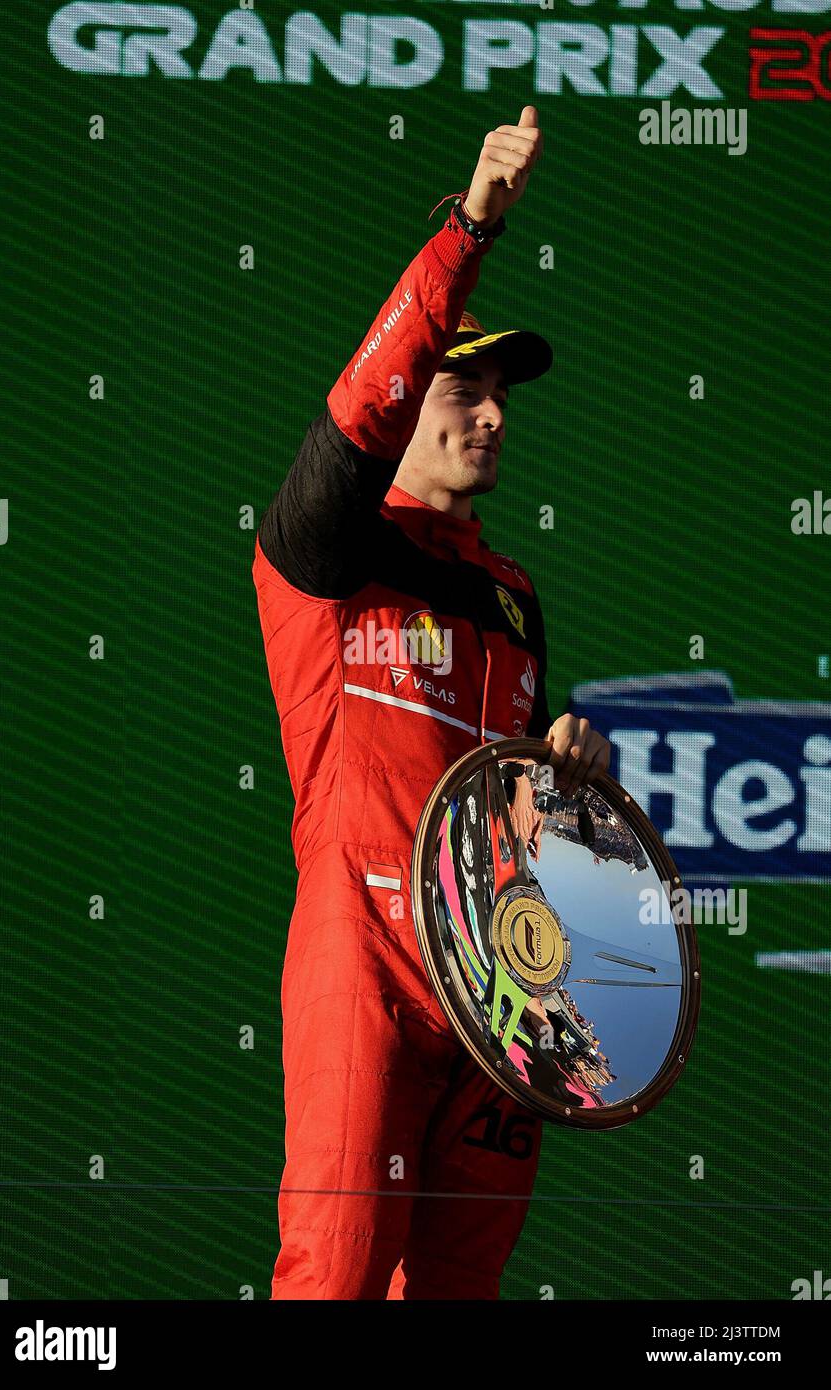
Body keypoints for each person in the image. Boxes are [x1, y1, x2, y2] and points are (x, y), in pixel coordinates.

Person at [253, 106, 610, 1300]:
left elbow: (510, 831)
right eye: (464, 387)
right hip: (358, 957)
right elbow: (360, 408)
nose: (493, 414)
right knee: (336, 1273)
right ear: (408, 400)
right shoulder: (322, 547)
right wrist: (467, 230)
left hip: (493, 981)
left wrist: (567, 787)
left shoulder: (511, 598)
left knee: (459, 1286)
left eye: (501, 395)